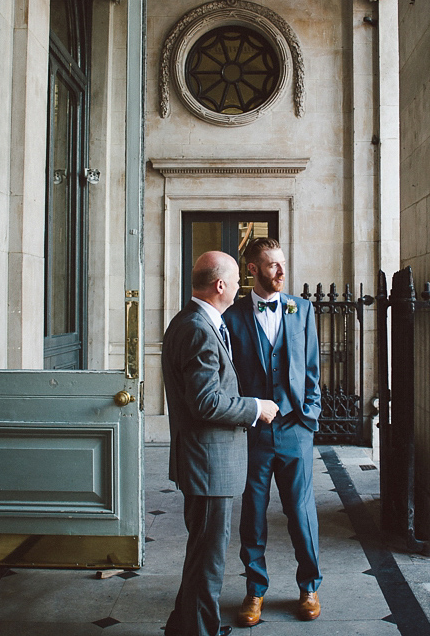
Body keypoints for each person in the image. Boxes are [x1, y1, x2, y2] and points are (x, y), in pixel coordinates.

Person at [162, 250, 279, 636]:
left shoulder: (192, 321)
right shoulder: (197, 327)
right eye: (237, 280)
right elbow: (205, 402)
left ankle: (184, 626)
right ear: (220, 285)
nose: (242, 287)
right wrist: (254, 408)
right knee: (208, 559)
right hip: (208, 464)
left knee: (201, 554)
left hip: (204, 462)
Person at [222, 238, 323, 626]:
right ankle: (255, 590)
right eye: (272, 265)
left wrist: (309, 414)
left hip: (296, 429)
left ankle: (309, 586)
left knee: (301, 512)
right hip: (253, 432)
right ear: (252, 271)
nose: (281, 271)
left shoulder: (303, 309)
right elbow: (228, 378)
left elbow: (312, 368)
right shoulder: (232, 317)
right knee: (254, 514)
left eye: (282, 263)